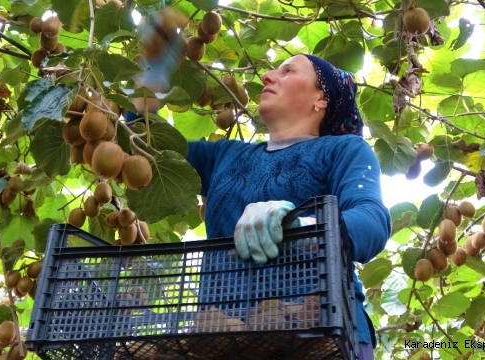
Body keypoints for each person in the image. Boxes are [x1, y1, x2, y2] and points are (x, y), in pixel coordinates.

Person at [125, 39, 391, 357]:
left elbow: (372, 221)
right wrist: (152, 71)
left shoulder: (342, 150)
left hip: (323, 333)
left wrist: (302, 225)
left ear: (321, 98)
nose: (267, 76)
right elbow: (143, 149)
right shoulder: (224, 156)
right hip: (223, 337)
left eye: (288, 70)